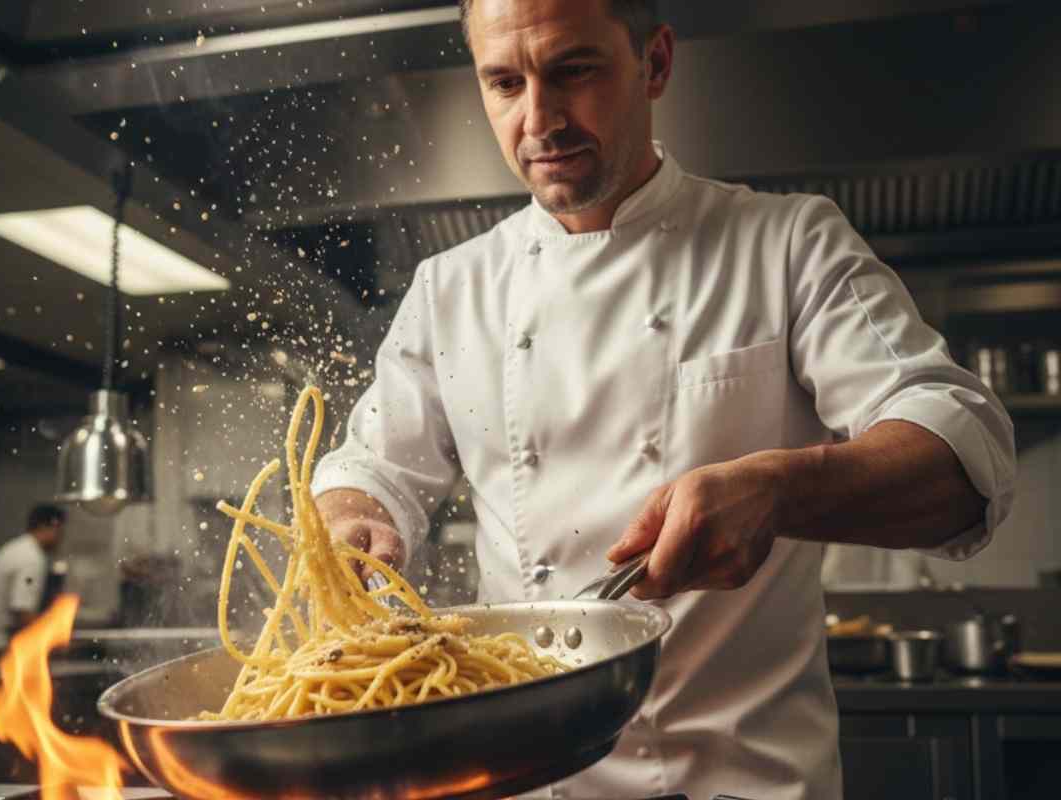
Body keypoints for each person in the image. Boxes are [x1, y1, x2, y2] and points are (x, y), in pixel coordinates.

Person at [309, 1, 1017, 797]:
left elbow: (964, 448)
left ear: (655, 63)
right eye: (505, 82)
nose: (539, 119)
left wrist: (782, 490)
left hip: (742, 781)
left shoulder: (786, 244)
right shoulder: (451, 289)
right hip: (528, 779)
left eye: (573, 70)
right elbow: (373, 466)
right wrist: (351, 516)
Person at [0, 504, 66, 637]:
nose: (60, 539)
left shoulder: (18, 548)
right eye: (59, 532)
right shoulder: (32, 558)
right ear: (44, 527)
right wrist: (50, 638)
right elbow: (22, 611)